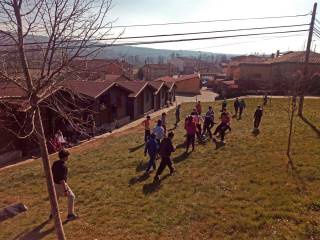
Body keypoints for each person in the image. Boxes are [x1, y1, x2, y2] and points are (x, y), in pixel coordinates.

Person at [51, 149, 77, 221]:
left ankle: (53, 213)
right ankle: (70, 215)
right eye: (67, 156)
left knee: (55, 199)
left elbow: (52, 172)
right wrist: (65, 190)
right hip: (60, 184)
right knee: (71, 196)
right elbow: (62, 180)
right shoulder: (63, 167)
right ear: (65, 157)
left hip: (54, 184)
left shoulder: (55, 163)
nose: (68, 157)